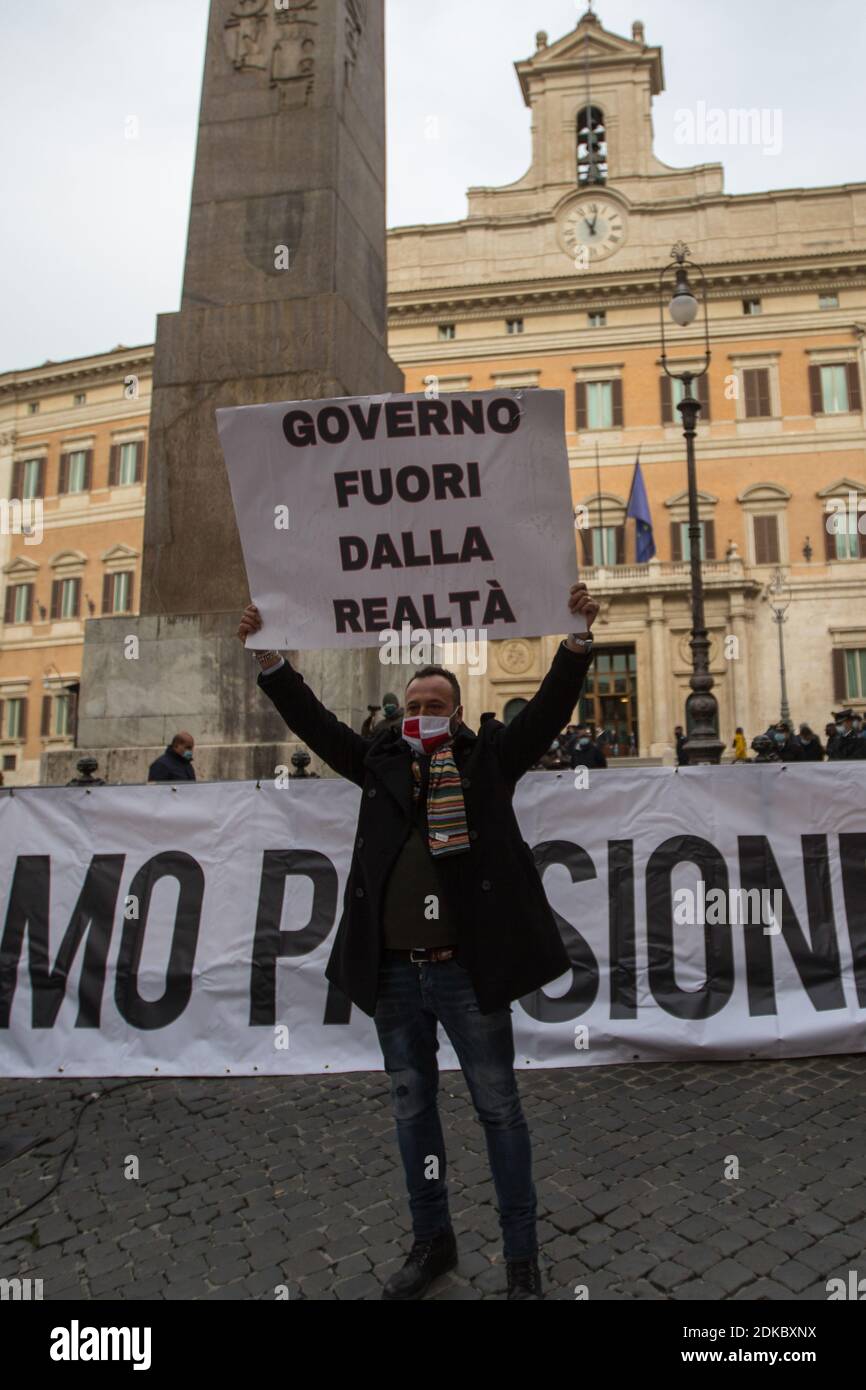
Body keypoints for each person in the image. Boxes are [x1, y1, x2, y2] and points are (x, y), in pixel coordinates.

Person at [239, 583, 599, 1301]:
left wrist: (577, 643)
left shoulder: (490, 759)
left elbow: (551, 712)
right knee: (412, 1110)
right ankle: (432, 1241)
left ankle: (521, 1257)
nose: (423, 715)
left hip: (468, 973)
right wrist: (272, 660)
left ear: (458, 714)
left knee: (499, 1109)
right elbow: (315, 725)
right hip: (398, 976)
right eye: (414, 707)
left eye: (436, 705)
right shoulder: (374, 760)